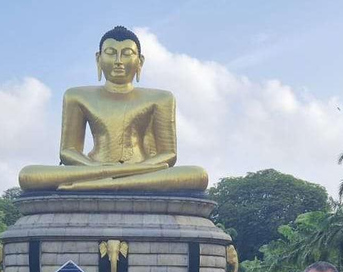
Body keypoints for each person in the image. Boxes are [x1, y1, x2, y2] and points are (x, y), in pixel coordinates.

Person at [18, 25, 208, 192]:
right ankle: (118, 181)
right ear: (98, 59)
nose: (118, 60)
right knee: (28, 175)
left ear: (140, 61)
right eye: (110, 52)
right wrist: (98, 169)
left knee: (198, 175)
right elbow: (68, 150)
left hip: (141, 169)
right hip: (95, 168)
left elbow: (169, 154)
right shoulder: (76, 96)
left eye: (126, 53)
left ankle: (102, 184)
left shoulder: (161, 98)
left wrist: (134, 169)